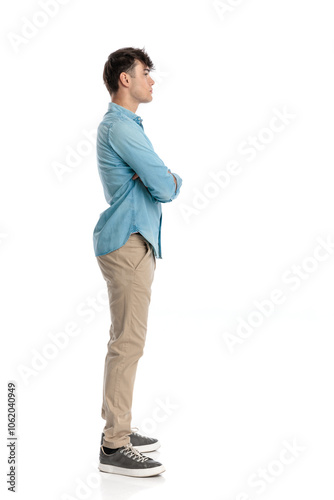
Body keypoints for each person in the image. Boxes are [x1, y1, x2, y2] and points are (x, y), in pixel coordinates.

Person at [92, 47, 182, 477]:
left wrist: (153, 176)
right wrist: (169, 177)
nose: (152, 80)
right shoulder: (122, 128)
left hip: (133, 241)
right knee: (128, 343)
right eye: (146, 73)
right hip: (128, 242)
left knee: (123, 341)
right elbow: (164, 185)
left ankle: (119, 429)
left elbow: (152, 179)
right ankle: (114, 446)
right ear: (124, 79)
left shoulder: (127, 126)